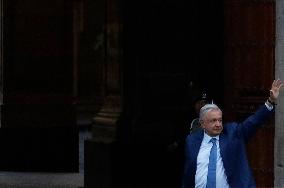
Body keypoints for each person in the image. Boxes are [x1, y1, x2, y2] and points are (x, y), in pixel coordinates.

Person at [182, 79, 283, 188]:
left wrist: (270, 102)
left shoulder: (233, 133)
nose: (218, 124)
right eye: (213, 120)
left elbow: (253, 122)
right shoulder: (192, 140)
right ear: (202, 124)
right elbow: (189, 172)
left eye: (220, 120)